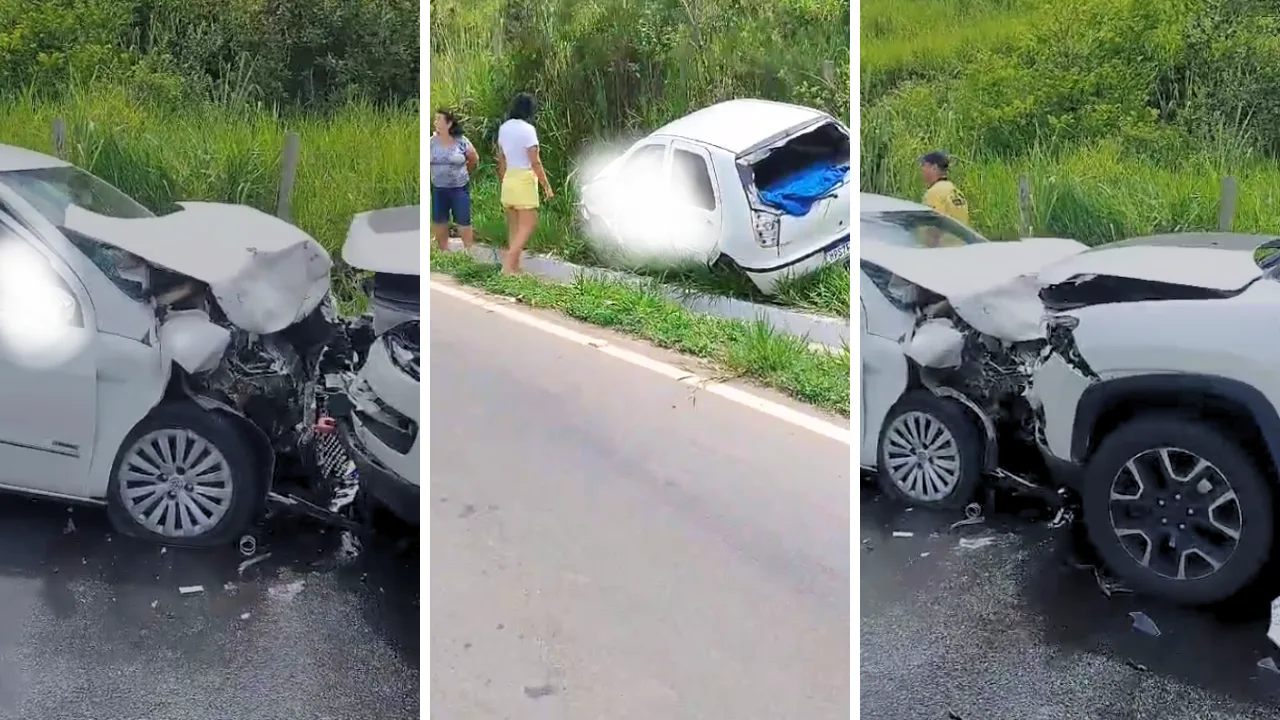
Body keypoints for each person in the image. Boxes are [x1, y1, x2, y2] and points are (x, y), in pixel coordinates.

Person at [496, 92, 553, 274]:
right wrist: (547, 186)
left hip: (509, 178)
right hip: (524, 178)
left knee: (514, 227)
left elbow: (501, 158)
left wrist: (503, 180)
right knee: (529, 223)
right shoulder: (528, 130)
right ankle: (508, 262)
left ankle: (515, 267)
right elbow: (535, 161)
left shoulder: (504, 128)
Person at [430, 109, 479, 251]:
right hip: (439, 188)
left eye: (439, 119)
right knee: (440, 220)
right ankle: (444, 251)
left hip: (459, 187)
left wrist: (465, 173)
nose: (436, 122)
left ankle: (468, 252)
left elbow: (474, 158)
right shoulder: (431, 143)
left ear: (449, 123)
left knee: (463, 219)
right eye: (435, 119)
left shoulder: (461, 141)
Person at [920, 151, 970, 226]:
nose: (922, 169)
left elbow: (933, 225)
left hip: (944, 237)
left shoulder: (934, 193)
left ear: (934, 167)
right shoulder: (956, 191)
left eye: (924, 165)